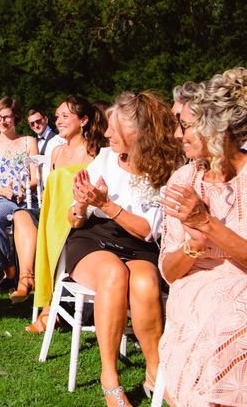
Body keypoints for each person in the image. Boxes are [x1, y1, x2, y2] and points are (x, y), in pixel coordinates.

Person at [66, 91, 182, 406]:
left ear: (138, 133)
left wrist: (105, 202)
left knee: (145, 282)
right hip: (93, 238)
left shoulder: (165, 169)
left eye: (115, 129)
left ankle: (155, 370)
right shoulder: (104, 157)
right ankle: (109, 378)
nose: (106, 134)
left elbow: (147, 231)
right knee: (114, 274)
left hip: (138, 243)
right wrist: (81, 203)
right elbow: (75, 220)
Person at [158, 68, 247, 406]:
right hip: (196, 287)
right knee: (214, 325)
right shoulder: (183, 178)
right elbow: (168, 271)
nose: (180, 135)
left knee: (234, 322)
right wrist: (193, 244)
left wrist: (206, 224)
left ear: (217, 127)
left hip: (242, 282)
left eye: (188, 125)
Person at [24, 96, 108, 327]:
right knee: (39, 231)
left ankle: (50, 310)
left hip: (82, 220)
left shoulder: (94, 152)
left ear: (83, 120)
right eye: (57, 116)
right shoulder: (57, 152)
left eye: (65, 116)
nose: (58, 121)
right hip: (53, 217)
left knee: (57, 239)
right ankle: (48, 305)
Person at [0, 97, 38, 291]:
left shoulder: (29, 141)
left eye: (7, 117)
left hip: (27, 198)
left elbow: (36, 178)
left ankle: (29, 273)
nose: (2, 121)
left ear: (16, 118)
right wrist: (5, 191)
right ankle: (10, 270)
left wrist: (24, 187)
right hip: (2, 198)